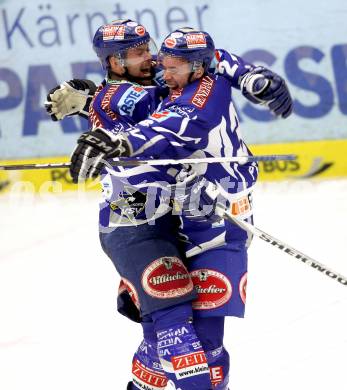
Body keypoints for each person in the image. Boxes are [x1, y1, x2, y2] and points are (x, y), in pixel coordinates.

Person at [46, 21, 292, 390]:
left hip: (195, 217)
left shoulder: (187, 83)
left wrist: (250, 74)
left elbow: (175, 107)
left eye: (152, 50)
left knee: (196, 347)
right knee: (176, 335)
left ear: (198, 65)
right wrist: (103, 118)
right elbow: (149, 111)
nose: (156, 61)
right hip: (136, 217)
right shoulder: (140, 91)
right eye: (141, 53)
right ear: (114, 61)